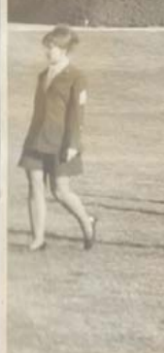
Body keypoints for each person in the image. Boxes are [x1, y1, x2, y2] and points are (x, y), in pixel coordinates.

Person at [19, 25, 98, 252]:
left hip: (61, 142)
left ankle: (87, 221)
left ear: (63, 50)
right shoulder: (43, 75)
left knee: (60, 191)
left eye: (51, 47)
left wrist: (73, 144)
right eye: (47, 47)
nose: (47, 51)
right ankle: (38, 239)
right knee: (34, 186)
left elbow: (77, 112)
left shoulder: (76, 77)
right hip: (35, 139)